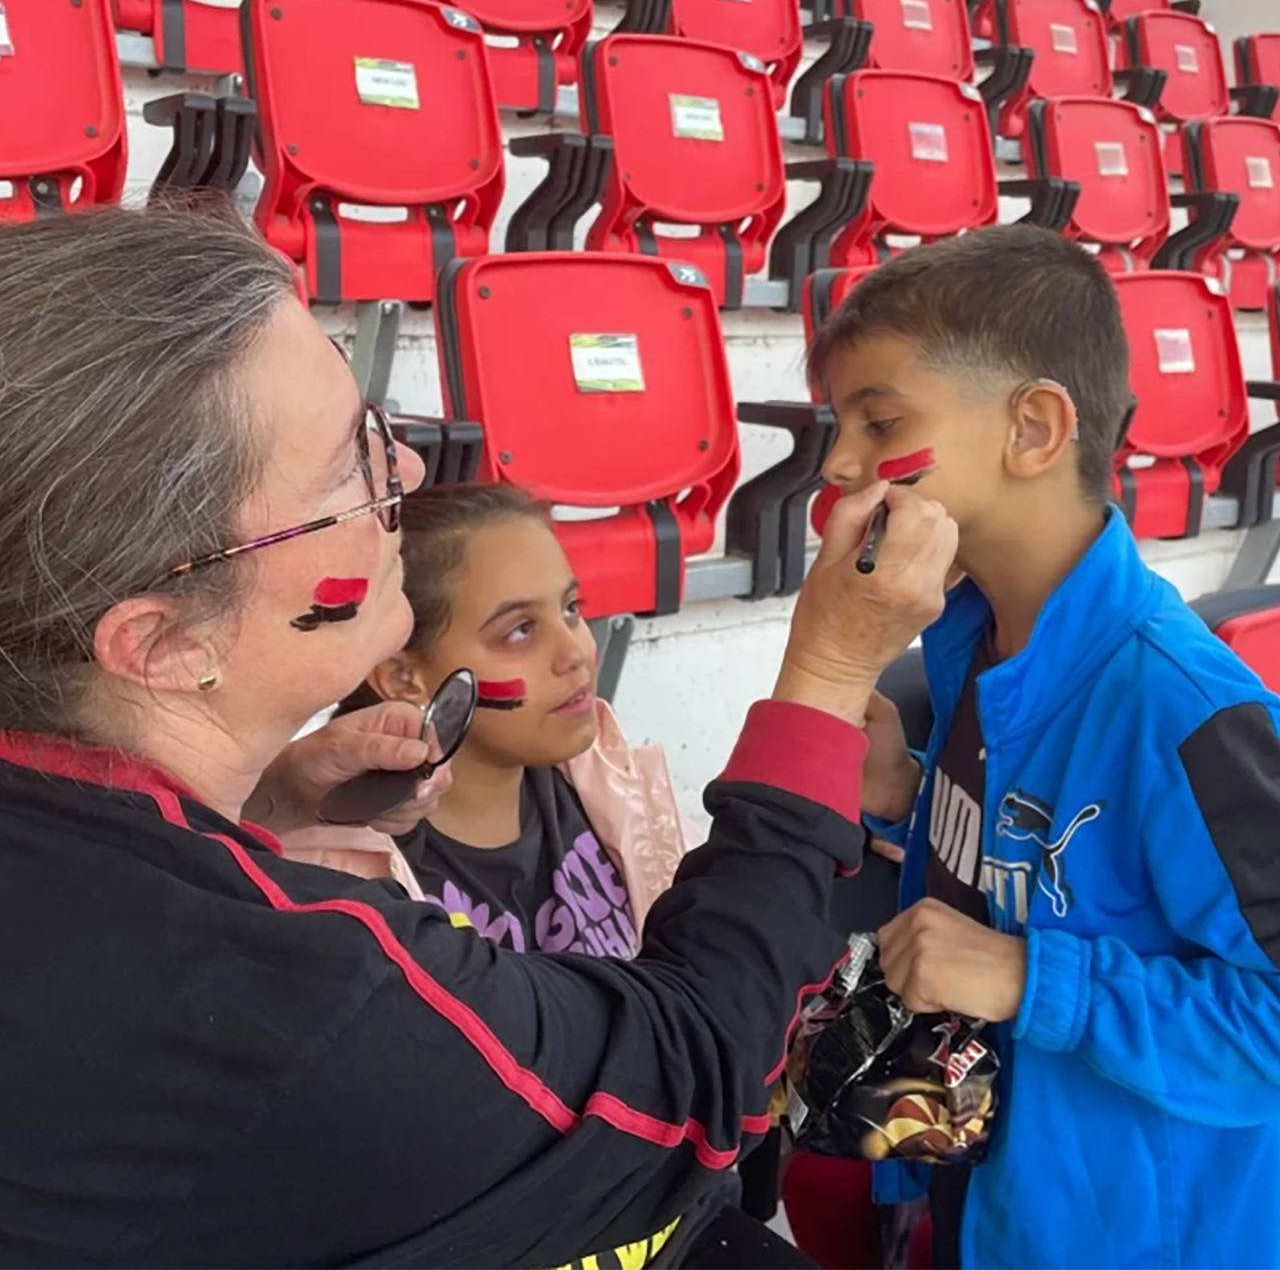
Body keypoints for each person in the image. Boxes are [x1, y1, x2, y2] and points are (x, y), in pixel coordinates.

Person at [0, 205, 957, 1270]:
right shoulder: (296, 991)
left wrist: (253, 815)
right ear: (167, 642)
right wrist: (827, 674)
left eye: (376, 426)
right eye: (347, 473)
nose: (407, 473)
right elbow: (691, 1073)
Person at [806, 225, 1280, 1270]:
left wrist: (1032, 979)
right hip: (989, 1201)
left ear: (1033, 429)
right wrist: (909, 798)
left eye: (879, 421)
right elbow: (1056, 868)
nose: (839, 462)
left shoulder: (1180, 705)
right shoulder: (969, 644)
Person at [283, 484, 692, 954]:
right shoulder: (336, 887)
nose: (576, 652)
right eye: (520, 631)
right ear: (403, 678)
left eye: (571, 609)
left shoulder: (620, 788)